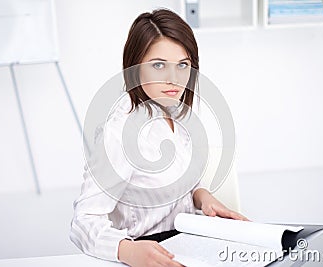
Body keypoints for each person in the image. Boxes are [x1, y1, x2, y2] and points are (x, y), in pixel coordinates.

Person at [70, 8, 248, 267]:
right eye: (158, 65)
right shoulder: (119, 133)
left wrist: (203, 197)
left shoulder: (179, 115)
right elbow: (83, 221)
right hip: (147, 254)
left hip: (189, 245)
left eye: (182, 65)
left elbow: (182, 187)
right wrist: (127, 251)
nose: (174, 79)